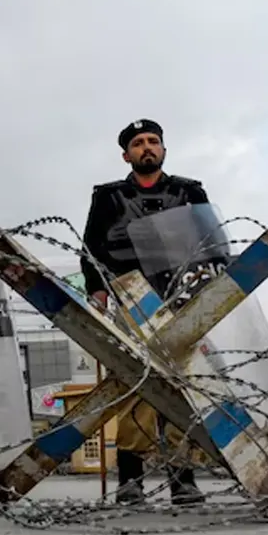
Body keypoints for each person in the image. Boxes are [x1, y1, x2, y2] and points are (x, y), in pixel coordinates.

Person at [79, 119, 208, 506]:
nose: (146, 147)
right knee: (136, 383)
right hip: (132, 295)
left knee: (182, 385)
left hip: (180, 295)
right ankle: (130, 476)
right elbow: (92, 246)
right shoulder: (109, 197)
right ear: (126, 155)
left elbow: (210, 242)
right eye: (138, 143)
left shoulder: (189, 192)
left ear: (164, 149)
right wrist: (96, 289)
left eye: (153, 141)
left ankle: (183, 476)